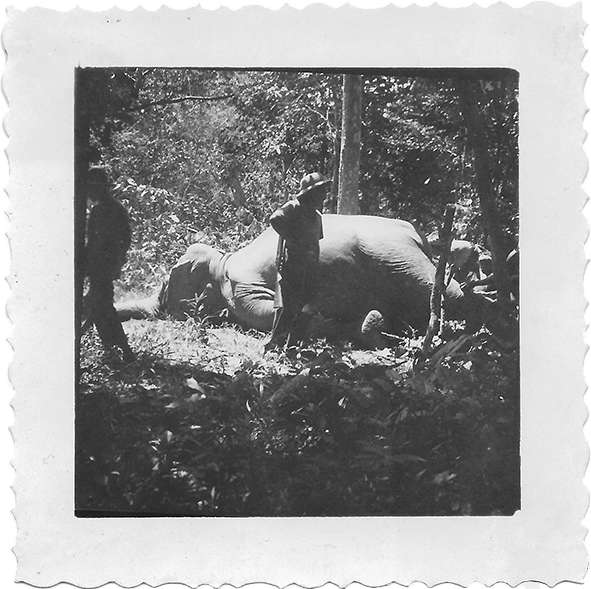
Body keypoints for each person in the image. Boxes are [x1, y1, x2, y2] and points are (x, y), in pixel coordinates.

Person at [266, 172, 330, 349]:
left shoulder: (317, 217)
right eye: (320, 191)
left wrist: (316, 265)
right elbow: (275, 219)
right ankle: (274, 346)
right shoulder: (294, 207)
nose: (324, 195)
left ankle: (293, 345)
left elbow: (316, 243)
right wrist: (293, 237)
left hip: (310, 268)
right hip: (292, 266)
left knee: (308, 307)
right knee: (288, 308)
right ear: (310, 193)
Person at [84, 166, 135, 362]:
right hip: (105, 266)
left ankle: (121, 351)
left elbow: (96, 243)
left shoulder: (101, 211)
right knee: (100, 307)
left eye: (91, 188)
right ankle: (115, 350)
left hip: (101, 267)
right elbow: (126, 240)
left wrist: (92, 264)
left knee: (103, 308)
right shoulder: (116, 208)